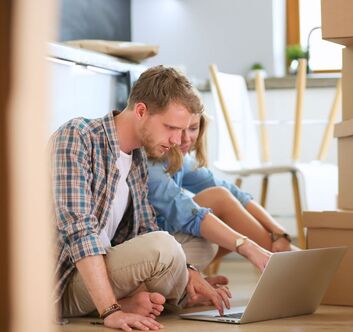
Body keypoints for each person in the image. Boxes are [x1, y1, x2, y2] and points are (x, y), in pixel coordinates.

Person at [50, 66, 231, 332]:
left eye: (182, 130)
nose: (178, 140)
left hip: (106, 264)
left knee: (200, 246)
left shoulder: (137, 158)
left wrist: (189, 271)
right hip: (61, 281)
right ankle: (130, 302)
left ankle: (166, 296)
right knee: (164, 248)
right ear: (141, 111)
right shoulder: (78, 136)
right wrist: (111, 311)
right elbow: (80, 232)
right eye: (171, 127)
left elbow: (146, 229)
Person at [147, 113, 298, 272]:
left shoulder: (181, 160)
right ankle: (288, 264)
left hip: (172, 233)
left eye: (193, 128)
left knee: (224, 198)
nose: (185, 138)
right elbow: (187, 213)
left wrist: (279, 233)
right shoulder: (152, 164)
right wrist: (247, 245)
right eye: (177, 129)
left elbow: (236, 195)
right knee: (218, 199)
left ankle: (286, 260)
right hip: (152, 243)